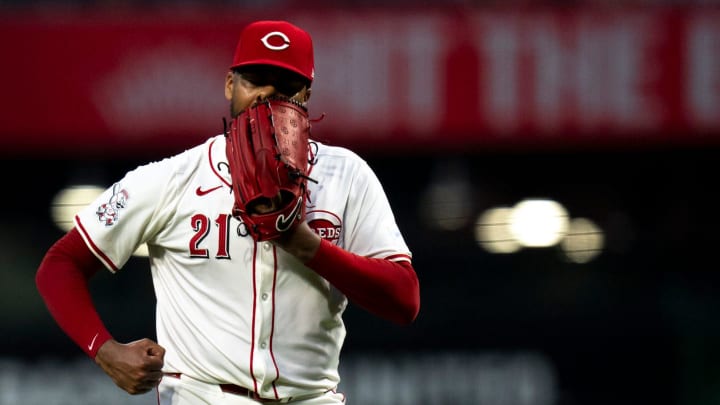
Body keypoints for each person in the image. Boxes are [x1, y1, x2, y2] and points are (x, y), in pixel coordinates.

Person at [35, 19, 420, 405]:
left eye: (284, 88)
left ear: (306, 94)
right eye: (255, 80)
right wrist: (104, 350)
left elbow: (404, 300)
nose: (266, 98)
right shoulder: (174, 178)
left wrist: (305, 246)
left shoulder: (345, 174)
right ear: (230, 84)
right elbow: (61, 262)